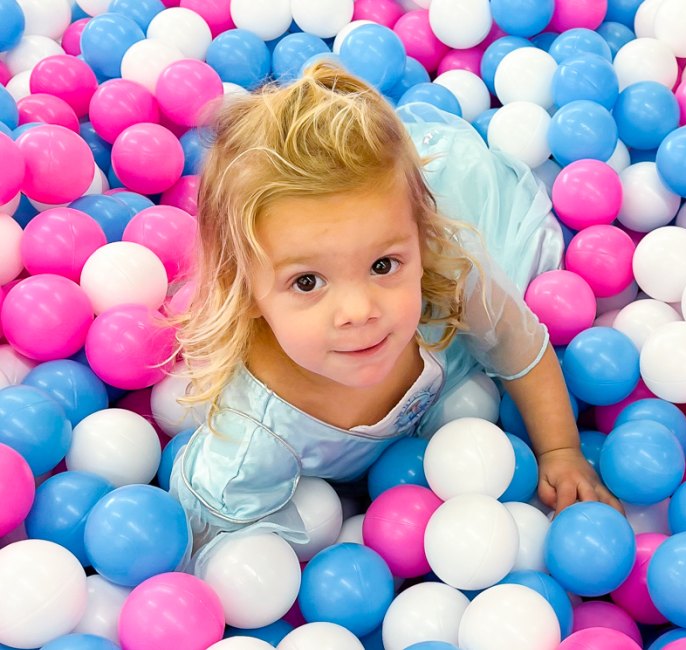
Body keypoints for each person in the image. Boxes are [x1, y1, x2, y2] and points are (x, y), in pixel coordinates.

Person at [168, 61, 621, 572]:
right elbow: (211, 546)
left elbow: (522, 348)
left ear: (420, 244)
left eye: (383, 265)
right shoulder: (253, 434)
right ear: (246, 290)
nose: (360, 311)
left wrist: (560, 449)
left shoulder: (447, 279)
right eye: (307, 282)